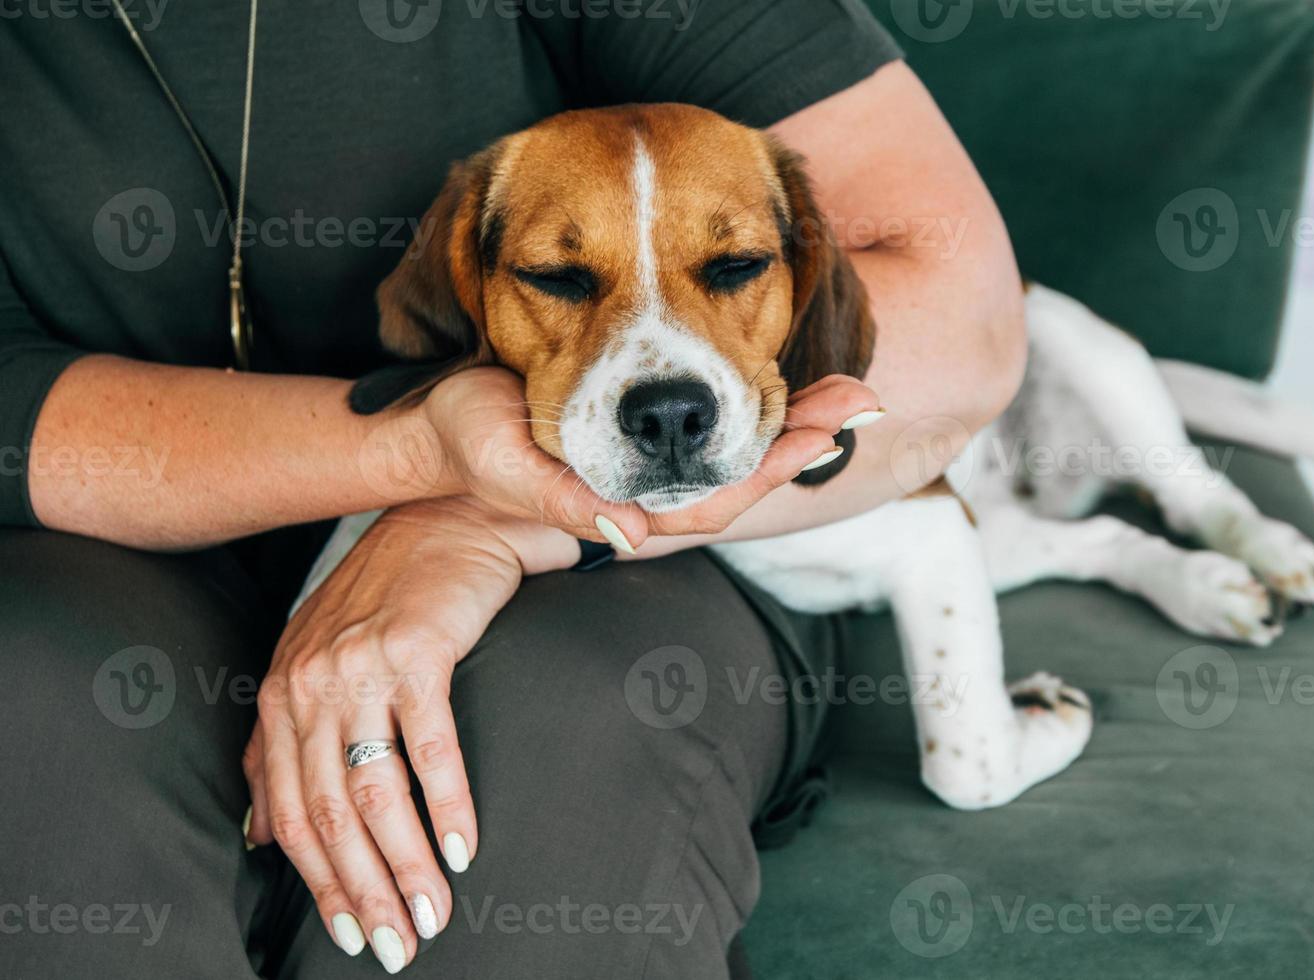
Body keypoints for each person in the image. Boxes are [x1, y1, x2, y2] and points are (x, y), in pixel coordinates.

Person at [0, 2, 1024, 976]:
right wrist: (418, 461)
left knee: (558, 748)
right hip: (82, 525)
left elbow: (961, 309)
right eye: (566, 279)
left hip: (634, 539)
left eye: (732, 267)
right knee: (36, 724)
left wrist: (478, 516)